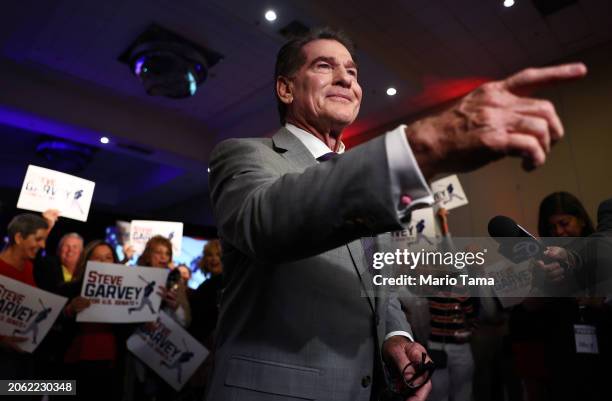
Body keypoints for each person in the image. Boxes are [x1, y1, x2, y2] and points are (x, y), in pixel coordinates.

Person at [206, 27, 586, 401]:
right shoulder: (246, 155)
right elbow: (267, 221)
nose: (345, 78)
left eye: (352, 72)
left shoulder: (371, 192)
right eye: (324, 66)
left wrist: (396, 337)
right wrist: (425, 144)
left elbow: (379, 289)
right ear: (285, 88)